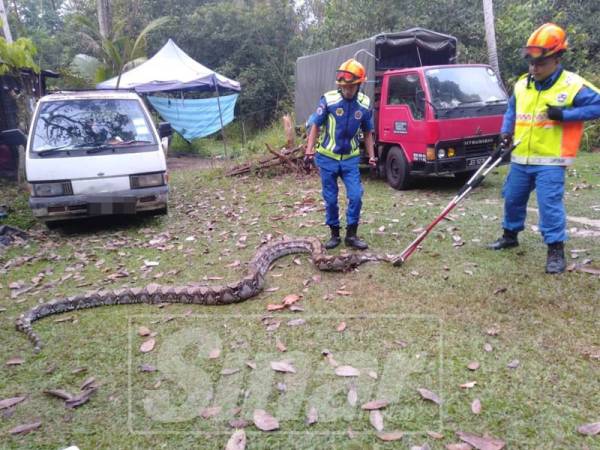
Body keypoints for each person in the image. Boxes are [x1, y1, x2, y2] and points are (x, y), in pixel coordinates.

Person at [488, 23, 600, 273]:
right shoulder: (521, 84)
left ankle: (555, 251)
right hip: (520, 157)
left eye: (540, 63)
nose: (534, 68)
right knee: (513, 198)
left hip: (550, 160)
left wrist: (567, 115)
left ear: (557, 58)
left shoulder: (572, 85)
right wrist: (505, 132)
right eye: (531, 63)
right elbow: (511, 110)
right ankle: (510, 235)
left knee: (549, 206)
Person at [305, 58, 377, 250]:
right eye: (344, 87)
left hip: (350, 160)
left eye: (352, 87)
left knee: (356, 195)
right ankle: (334, 234)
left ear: (359, 84)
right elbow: (315, 125)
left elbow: (368, 132)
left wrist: (371, 155)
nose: (347, 90)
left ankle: (351, 235)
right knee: (330, 198)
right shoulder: (328, 99)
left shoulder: (364, 103)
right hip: (327, 158)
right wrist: (309, 150)